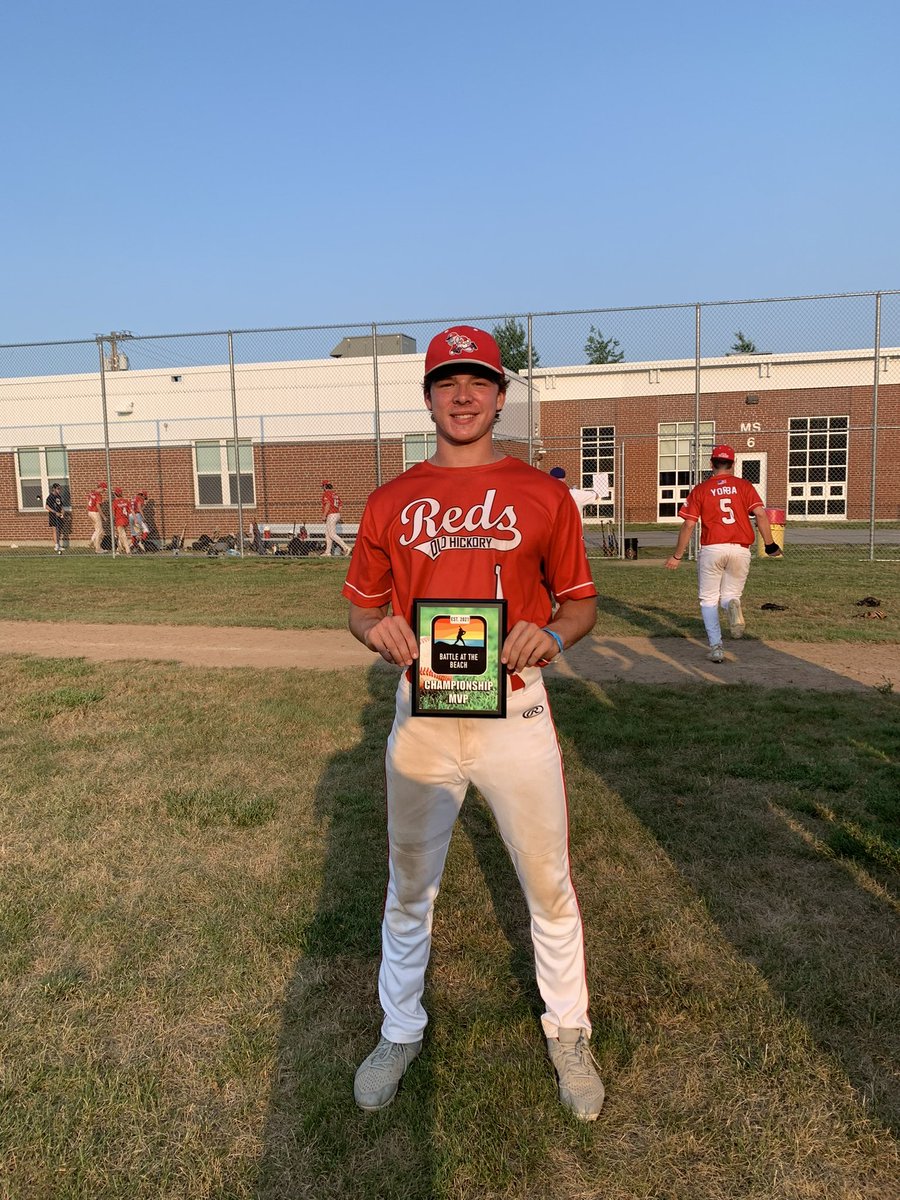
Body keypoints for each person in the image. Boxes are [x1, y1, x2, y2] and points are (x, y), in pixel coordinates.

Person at [343, 325, 605, 1122]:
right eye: (447, 381)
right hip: (424, 714)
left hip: (515, 707)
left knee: (548, 884)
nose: (463, 395)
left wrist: (554, 633)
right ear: (428, 397)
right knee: (409, 885)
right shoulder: (391, 499)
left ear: (498, 394)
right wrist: (377, 631)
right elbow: (360, 608)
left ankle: (568, 1029)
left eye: (478, 381)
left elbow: (581, 603)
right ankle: (400, 1028)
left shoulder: (542, 492)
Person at [665, 444, 783, 662]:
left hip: (712, 548)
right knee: (730, 595)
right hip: (740, 549)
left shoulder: (701, 489)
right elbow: (760, 514)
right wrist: (769, 544)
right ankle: (731, 606)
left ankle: (717, 647)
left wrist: (677, 555)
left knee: (708, 600)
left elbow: (689, 525)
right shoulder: (744, 486)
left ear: (711, 464)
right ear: (733, 464)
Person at [321, 481, 352, 557]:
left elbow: (328, 504)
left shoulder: (326, 493)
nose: (322, 488)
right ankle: (327, 552)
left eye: (323, 486)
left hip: (331, 515)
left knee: (331, 534)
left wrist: (324, 515)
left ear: (325, 486)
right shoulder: (335, 494)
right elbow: (340, 505)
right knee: (328, 534)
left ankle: (346, 547)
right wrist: (336, 512)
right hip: (336, 514)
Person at [87, 480, 107, 554]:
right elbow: (98, 506)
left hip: (90, 512)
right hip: (95, 512)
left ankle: (92, 541)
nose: (104, 491)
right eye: (104, 489)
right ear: (101, 488)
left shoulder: (92, 492)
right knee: (100, 531)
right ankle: (98, 548)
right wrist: (103, 516)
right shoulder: (99, 495)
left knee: (97, 529)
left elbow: (89, 502)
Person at [45, 483, 64, 553]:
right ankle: (56, 545)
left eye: (60, 489)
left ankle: (58, 544)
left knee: (58, 530)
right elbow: (47, 507)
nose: (59, 490)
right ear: (54, 489)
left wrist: (62, 512)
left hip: (59, 515)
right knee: (55, 529)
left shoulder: (59, 497)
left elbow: (61, 506)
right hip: (53, 515)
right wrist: (55, 512)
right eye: (58, 489)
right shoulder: (50, 497)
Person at [111, 488, 131, 555]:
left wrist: (113, 521)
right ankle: (118, 550)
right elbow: (129, 511)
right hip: (125, 520)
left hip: (119, 520)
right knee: (121, 535)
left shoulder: (114, 502)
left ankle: (128, 551)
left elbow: (113, 513)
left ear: (115, 494)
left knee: (123, 535)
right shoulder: (126, 501)